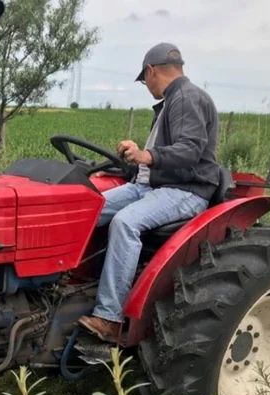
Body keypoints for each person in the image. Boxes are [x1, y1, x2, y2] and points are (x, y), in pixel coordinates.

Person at [77, 42, 221, 343]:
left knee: (126, 223)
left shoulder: (188, 97)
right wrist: (125, 167)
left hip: (185, 191)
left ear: (151, 71)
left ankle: (109, 318)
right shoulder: (172, 101)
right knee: (85, 207)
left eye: (144, 81)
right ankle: (61, 284)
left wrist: (146, 155)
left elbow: (190, 151)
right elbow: (157, 160)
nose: (146, 86)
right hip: (151, 186)